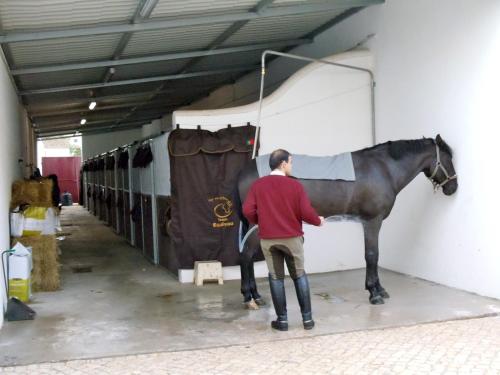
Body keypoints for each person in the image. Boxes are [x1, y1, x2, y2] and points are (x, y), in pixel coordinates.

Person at [243, 149, 325, 331]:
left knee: (276, 277)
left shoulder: (258, 185)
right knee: (299, 275)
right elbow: (305, 212)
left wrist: (262, 222)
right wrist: (318, 221)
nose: (291, 165)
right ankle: (307, 320)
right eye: (290, 162)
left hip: (268, 239)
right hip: (292, 239)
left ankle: (282, 321)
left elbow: (248, 211)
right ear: (283, 164)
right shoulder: (295, 185)